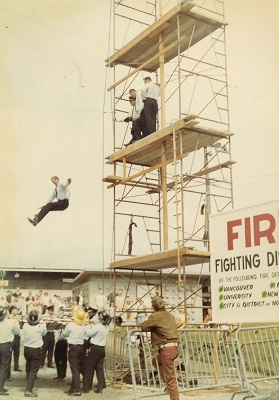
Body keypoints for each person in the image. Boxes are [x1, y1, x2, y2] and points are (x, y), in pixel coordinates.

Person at [141, 296, 180, 400]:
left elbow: (144, 327)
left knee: (172, 381)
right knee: (156, 361)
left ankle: (171, 390)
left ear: (153, 307)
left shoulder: (155, 316)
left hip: (167, 349)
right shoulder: (170, 315)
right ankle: (167, 384)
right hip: (174, 348)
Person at [82, 311, 111, 394]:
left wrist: (88, 326)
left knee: (89, 368)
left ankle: (86, 387)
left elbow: (89, 333)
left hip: (94, 347)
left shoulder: (98, 326)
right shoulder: (106, 327)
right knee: (99, 368)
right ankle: (100, 387)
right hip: (102, 348)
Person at [62, 309, 87, 396]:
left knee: (74, 369)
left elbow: (64, 334)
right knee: (77, 368)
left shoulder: (71, 325)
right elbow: (85, 336)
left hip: (73, 347)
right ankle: (72, 388)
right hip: (81, 347)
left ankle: (77, 389)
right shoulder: (84, 326)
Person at [22, 309, 47, 398]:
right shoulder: (41, 326)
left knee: (28, 368)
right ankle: (29, 390)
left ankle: (28, 385)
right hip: (36, 349)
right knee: (33, 370)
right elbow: (44, 333)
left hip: (27, 349)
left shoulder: (25, 325)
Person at [0, 306, 20, 396]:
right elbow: (16, 332)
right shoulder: (10, 322)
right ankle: (0, 388)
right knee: (4, 368)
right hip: (5, 346)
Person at [7, 306, 22, 382]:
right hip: (11, 337)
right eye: (15, 310)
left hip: (17, 337)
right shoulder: (9, 318)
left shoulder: (17, 318)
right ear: (12, 310)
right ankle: (7, 374)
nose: (17, 311)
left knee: (17, 353)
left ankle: (16, 366)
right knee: (8, 356)